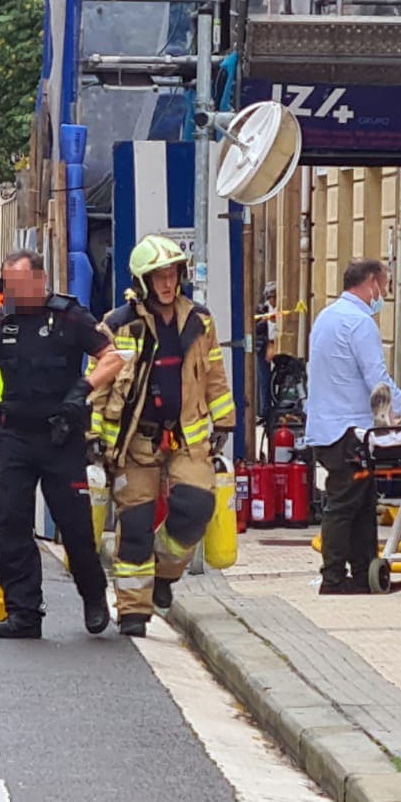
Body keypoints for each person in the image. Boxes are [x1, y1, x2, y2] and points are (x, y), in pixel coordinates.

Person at [0, 250, 124, 639]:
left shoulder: (68, 317)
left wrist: (84, 388)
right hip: (15, 436)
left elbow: (112, 358)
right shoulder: (2, 321)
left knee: (75, 527)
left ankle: (93, 594)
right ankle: (23, 612)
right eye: (7, 284)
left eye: (18, 284)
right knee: (9, 522)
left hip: (60, 437)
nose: (11, 292)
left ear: (40, 279)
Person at [91, 235, 235, 635]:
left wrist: (224, 421)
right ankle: (134, 613)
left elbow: (215, 377)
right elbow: (101, 385)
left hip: (186, 437)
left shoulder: (199, 321)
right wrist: (95, 436)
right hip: (136, 442)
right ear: (142, 282)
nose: (168, 284)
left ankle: (165, 575)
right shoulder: (118, 325)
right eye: (159, 277)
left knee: (195, 507)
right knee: (134, 526)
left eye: (172, 275)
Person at [305, 258, 401, 596]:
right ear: (371, 283)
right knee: (344, 502)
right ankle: (333, 578)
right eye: (386, 285)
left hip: (329, 427)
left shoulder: (327, 316)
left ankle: (366, 575)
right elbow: (375, 379)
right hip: (349, 430)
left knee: (362, 503)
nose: (387, 293)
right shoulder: (360, 323)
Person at [255, 283, 278, 421]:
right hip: (263, 346)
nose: (272, 300)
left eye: (273, 297)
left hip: (276, 344)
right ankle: (264, 410)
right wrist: (264, 321)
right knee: (263, 379)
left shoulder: (281, 308)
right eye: (269, 297)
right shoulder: (262, 309)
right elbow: (255, 328)